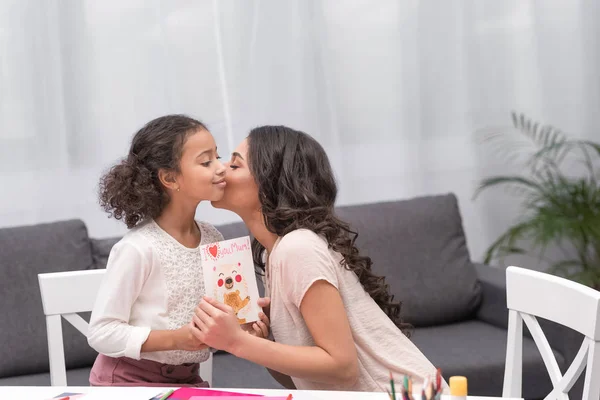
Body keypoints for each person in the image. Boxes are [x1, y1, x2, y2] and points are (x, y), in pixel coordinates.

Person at [191, 125, 447, 392]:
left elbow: (342, 369)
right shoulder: (274, 254)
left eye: (235, 166)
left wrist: (237, 343)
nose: (220, 170)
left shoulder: (298, 248)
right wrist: (265, 340)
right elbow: (305, 382)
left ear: (269, 183)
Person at [86, 115, 269, 387]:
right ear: (170, 178)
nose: (221, 168)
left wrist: (245, 329)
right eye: (206, 162)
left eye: (217, 157)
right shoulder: (138, 248)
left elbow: (227, 313)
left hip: (188, 380)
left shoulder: (213, 239)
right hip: (125, 383)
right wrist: (178, 338)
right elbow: (101, 332)